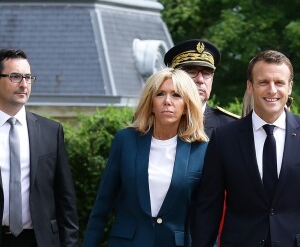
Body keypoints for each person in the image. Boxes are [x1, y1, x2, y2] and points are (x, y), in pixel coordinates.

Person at [82, 67, 208, 247]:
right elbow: (102, 205)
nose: (167, 101)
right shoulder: (125, 141)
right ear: (150, 103)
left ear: (187, 105)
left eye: (176, 95)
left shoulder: (202, 150)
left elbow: (205, 216)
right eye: (160, 94)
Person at [190, 50, 299, 246]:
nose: (272, 90)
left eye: (279, 83)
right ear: (250, 86)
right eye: (263, 82)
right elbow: (208, 207)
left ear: (290, 87)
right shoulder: (224, 138)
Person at [0, 49, 79, 246]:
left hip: (40, 240)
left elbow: (65, 201)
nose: (24, 84)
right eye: (15, 76)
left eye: (28, 77)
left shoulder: (51, 131)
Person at [164, 39, 239, 139]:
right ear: (174, 77)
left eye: (206, 73)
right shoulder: (155, 121)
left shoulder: (230, 126)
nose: (200, 79)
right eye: (191, 71)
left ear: (212, 80)